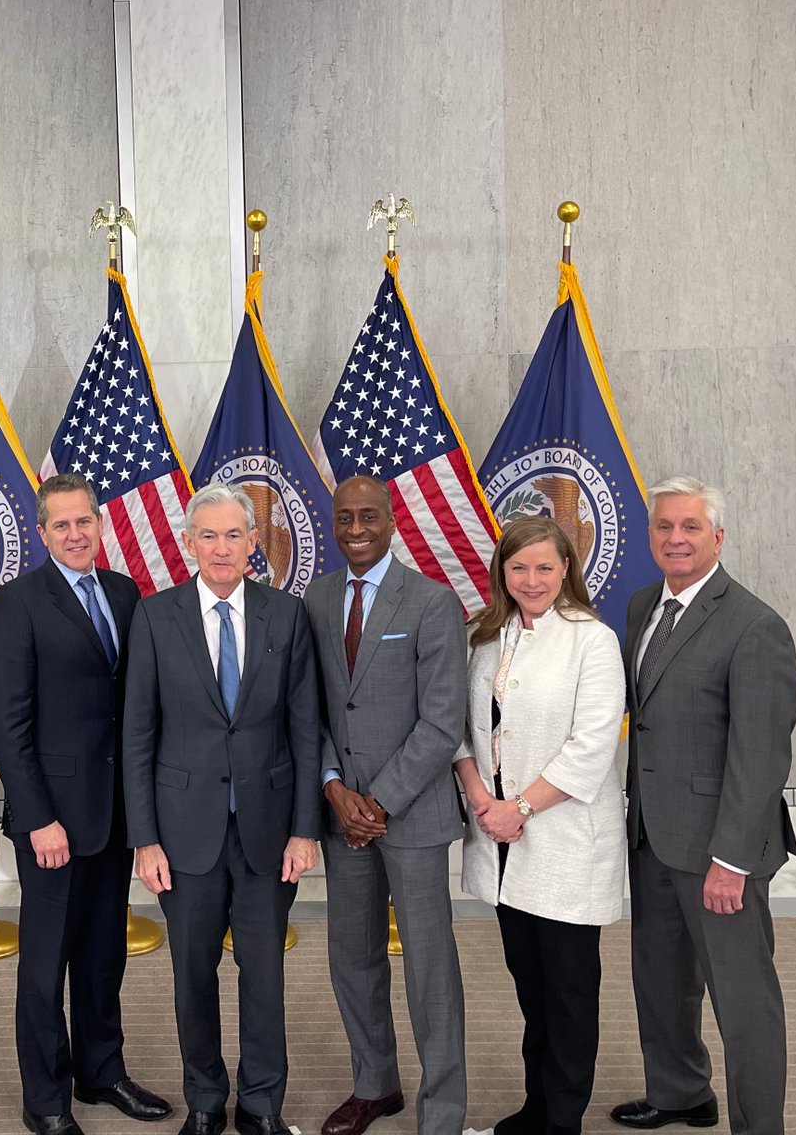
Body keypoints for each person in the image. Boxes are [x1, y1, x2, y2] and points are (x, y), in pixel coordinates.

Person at [123, 483, 321, 1135]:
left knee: (264, 977)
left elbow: (304, 728)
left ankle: (261, 1105)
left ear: (253, 543)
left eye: (234, 535)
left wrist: (303, 830)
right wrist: (145, 839)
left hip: (268, 833)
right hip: (183, 836)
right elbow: (138, 735)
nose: (221, 547)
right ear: (188, 544)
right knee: (192, 976)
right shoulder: (155, 616)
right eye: (207, 535)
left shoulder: (286, 616)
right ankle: (206, 1101)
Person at [611, 477, 796, 1135]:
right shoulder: (642, 606)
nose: (676, 538)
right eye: (664, 527)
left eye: (691, 527)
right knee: (661, 985)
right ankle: (681, 1093)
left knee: (743, 1002)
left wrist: (732, 860)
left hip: (720, 850)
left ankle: (759, 1127)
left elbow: (762, 757)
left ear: (718, 536)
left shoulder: (755, 626)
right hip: (651, 837)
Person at [0, 474, 171, 1135]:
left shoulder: (124, 593)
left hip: (116, 814)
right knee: (44, 965)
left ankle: (101, 1072)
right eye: (60, 525)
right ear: (40, 533)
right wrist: (35, 817)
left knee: (101, 954)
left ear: (100, 523)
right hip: (53, 821)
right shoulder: (16, 604)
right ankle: (45, 1099)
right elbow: (7, 724)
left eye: (83, 522)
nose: (74, 534)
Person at [303, 476, 467, 1135]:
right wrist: (335, 788)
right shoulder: (314, 599)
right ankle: (375, 1085)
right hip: (344, 817)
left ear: (393, 521)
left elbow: (443, 719)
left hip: (413, 815)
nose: (356, 528)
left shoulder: (432, 602)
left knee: (430, 968)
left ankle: (444, 1110)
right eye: (344, 518)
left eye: (369, 516)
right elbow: (306, 708)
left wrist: (380, 801)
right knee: (353, 958)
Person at [453, 516, 626, 1135]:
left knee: (570, 994)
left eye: (544, 567)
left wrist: (518, 808)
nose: (531, 579)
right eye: (518, 566)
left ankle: (565, 1120)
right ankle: (537, 1106)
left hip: (563, 844)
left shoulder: (593, 640)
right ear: (502, 571)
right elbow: (463, 730)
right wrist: (481, 798)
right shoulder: (483, 636)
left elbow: (592, 745)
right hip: (500, 843)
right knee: (530, 986)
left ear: (566, 572)